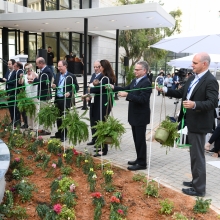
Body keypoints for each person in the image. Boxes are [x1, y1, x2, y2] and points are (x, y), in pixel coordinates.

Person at [157, 52, 219, 197]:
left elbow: (213, 102)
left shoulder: (210, 81)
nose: (192, 65)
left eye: (195, 63)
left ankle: (199, 189)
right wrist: (165, 90)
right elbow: (181, 93)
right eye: (192, 62)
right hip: (190, 121)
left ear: (204, 64)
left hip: (199, 123)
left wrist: (194, 104)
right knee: (194, 155)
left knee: (198, 156)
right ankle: (195, 181)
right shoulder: (193, 78)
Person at [112, 61, 152, 171]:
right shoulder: (135, 80)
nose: (135, 71)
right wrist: (114, 88)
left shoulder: (146, 83)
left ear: (144, 71)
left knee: (140, 140)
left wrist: (128, 95)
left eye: (137, 69)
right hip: (134, 115)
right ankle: (139, 158)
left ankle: (142, 163)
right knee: (136, 139)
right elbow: (126, 88)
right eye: (135, 69)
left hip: (141, 116)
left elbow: (143, 100)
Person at [88, 59, 116, 157]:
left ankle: (104, 149)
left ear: (104, 67)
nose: (98, 68)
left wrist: (91, 88)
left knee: (101, 124)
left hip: (103, 104)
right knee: (99, 123)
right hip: (101, 103)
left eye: (100, 66)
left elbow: (99, 89)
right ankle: (101, 146)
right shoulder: (107, 77)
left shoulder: (106, 78)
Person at [50, 60, 79, 142]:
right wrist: (53, 86)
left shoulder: (71, 76)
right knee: (58, 117)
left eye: (60, 66)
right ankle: (59, 133)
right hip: (58, 98)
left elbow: (76, 87)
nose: (58, 68)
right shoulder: (58, 75)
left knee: (64, 117)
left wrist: (70, 93)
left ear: (65, 66)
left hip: (66, 99)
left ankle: (64, 135)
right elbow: (55, 84)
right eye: (58, 66)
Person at [31, 57, 53, 135]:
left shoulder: (47, 71)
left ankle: (47, 129)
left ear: (41, 63)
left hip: (45, 95)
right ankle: (44, 128)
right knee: (43, 113)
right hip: (42, 95)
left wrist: (34, 80)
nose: (37, 65)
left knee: (46, 113)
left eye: (37, 64)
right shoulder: (44, 70)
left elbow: (43, 82)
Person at [0, 59, 21, 126]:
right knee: (10, 108)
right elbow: (4, 79)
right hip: (8, 92)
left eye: (9, 64)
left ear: (13, 64)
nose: (8, 65)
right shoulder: (8, 72)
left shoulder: (16, 72)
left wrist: (7, 81)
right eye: (8, 64)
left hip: (13, 92)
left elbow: (15, 83)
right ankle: (12, 121)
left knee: (15, 108)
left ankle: (17, 122)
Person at [18, 63, 38, 130]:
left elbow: (35, 77)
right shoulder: (25, 75)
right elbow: (20, 82)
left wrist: (31, 70)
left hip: (35, 96)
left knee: (35, 112)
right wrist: (21, 77)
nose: (28, 70)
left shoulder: (35, 74)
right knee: (29, 112)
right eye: (26, 69)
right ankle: (30, 126)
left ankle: (35, 127)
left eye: (29, 68)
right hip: (28, 96)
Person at [86, 60, 102, 146]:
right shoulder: (93, 75)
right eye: (94, 67)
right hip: (91, 102)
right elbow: (88, 86)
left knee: (97, 121)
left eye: (97, 67)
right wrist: (87, 95)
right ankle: (94, 138)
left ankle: (99, 140)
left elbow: (99, 89)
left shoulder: (103, 76)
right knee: (92, 120)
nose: (95, 69)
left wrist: (91, 92)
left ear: (101, 67)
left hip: (98, 102)